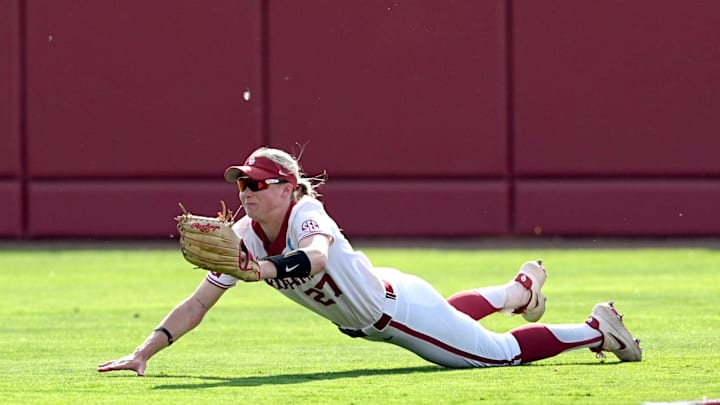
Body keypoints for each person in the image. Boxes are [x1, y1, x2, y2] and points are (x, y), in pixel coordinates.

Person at [97, 146, 642, 376]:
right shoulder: (245, 233)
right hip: (393, 298)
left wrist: (263, 271)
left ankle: (598, 330)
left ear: (287, 189)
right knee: (450, 320)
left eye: (256, 183)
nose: (244, 190)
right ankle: (519, 291)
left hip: (396, 314)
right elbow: (199, 302)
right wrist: (142, 353)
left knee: (495, 357)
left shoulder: (308, 213)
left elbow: (313, 258)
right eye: (240, 182)